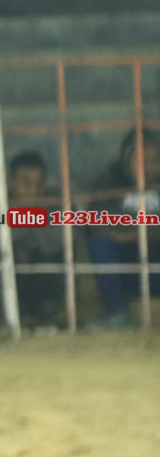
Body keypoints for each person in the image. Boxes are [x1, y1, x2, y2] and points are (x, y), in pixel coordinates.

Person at [0, 152, 64, 327]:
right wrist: (27, 221)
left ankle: (44, 313)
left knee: (60, 254)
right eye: (26, 183)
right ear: (10, 181)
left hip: (39, 275)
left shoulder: (54, 203)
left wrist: (17, 223)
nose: (32, 190)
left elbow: (59, 238)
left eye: (38, 184)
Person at [86, 130, 160, 328]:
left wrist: (135, 233)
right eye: (140, 159)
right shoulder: (109, 182)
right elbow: (98, 224)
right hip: (124, 270)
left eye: (154, 160)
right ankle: (119, 312)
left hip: (156, 264)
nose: (148, 166)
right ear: (126, 159)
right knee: (100, 245)